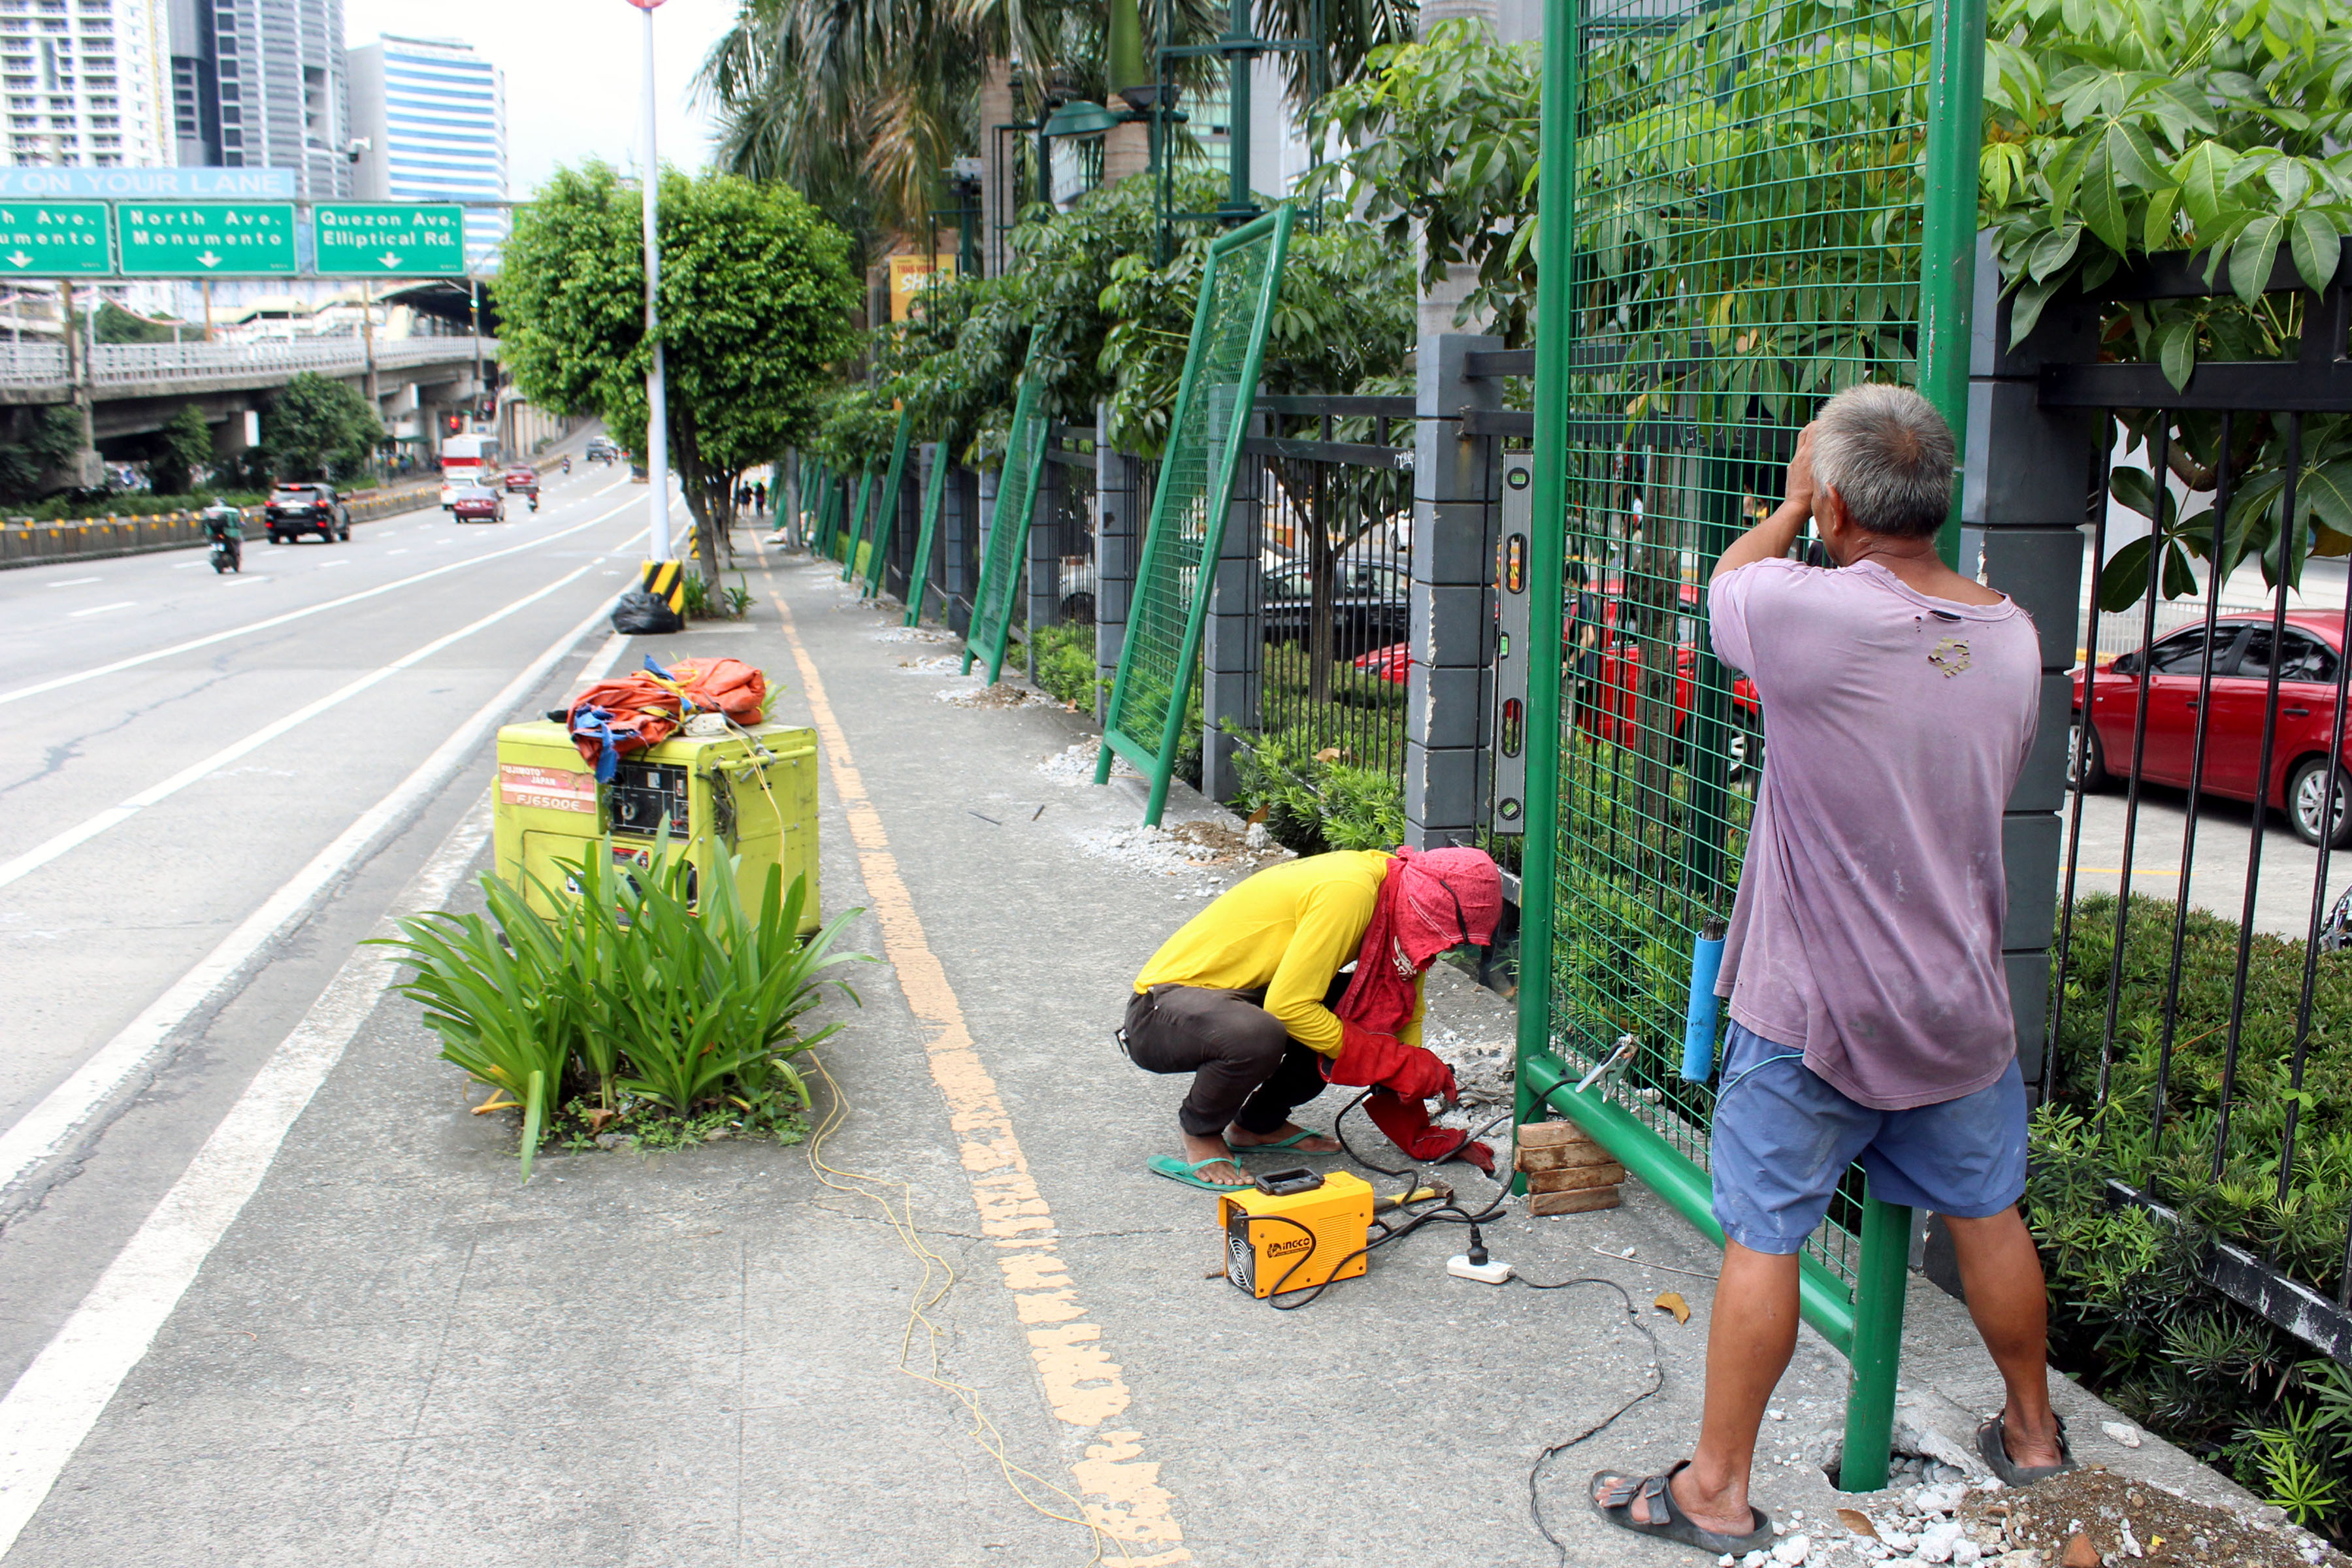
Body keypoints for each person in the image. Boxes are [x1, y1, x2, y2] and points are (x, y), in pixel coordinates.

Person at [1590, 384, 2061, 1557]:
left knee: (1768, 1238)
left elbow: (1726, 587)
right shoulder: (2012, 637)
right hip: (1955, 1004)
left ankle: (1715, 1491)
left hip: (1813, 1011)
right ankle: (2037, 1436)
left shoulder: (1807, 616)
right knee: (1988, 1212)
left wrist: (1792, 502)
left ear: (1841, 502)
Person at [1120, 845, 1503, 1189]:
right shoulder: (1351, 891)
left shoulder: (1401, 892)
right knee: (1260, 1033)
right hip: (1161, 1013)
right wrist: (1391, 1063)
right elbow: (1289, 1008)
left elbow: (1404, 1012)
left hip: (1241, 998)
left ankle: (1258, 1125)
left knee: (1359, 1008)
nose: (1443, 948)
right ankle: (1200, 1131)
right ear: (1426, 910)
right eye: (1444, 936)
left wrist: (1414, 1112)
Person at [201, 500, 242, 572]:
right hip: (224, 535)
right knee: (237, 542)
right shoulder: (230, 513)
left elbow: (204, 525)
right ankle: (235, 558)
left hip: (216, 536)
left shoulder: (211, 513)